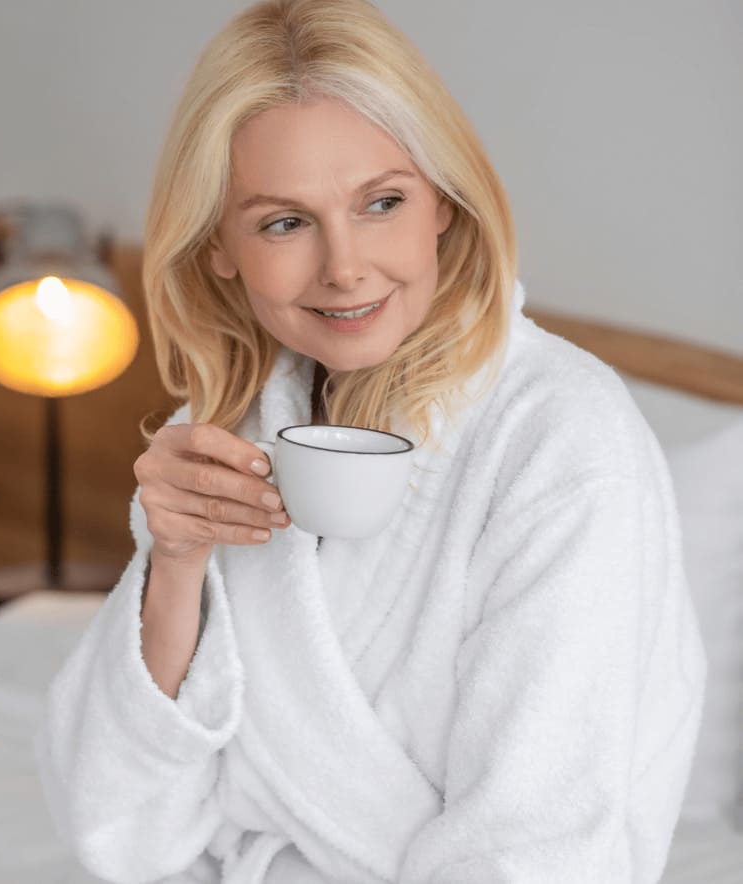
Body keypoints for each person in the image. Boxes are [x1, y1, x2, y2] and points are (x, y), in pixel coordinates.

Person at [35, 1, 706, 882]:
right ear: (219, 246)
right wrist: (176, 564)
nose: (345, 267)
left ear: (444, 204)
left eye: (382, 203)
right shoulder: (233, 428)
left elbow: (542, 850)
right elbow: (119, 826)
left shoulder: (563, 439)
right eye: (284, 222)